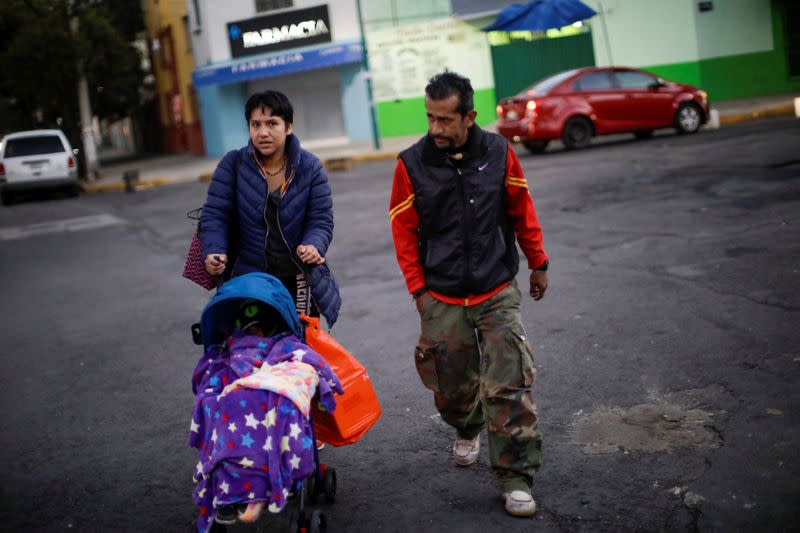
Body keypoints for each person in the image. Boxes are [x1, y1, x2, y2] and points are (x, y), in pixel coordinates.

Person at [389, 72, 549, 517]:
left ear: (469, 117)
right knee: (452, 389)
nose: (435, 129)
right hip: (441, 297)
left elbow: (522, 209)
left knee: (510, 384)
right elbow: (403, 232)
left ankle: (515, 476)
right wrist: (419, 292)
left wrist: (538, 261)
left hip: (496, 290)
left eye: (444, 120)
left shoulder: (498, 152)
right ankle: (467, 424)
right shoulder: (411, 163)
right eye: (429, 118)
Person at [199, 90, 341, 327]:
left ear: (288, 127)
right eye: (256, 124)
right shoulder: (233, 164)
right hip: (248, 280)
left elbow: (321, 219)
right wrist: (214, 250)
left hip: (298, 278)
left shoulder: (310, 167)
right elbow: (215, 216)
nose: (263, 132)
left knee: (300, 353)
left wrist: (313, 245)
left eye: (272, 123)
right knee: (253, 352)